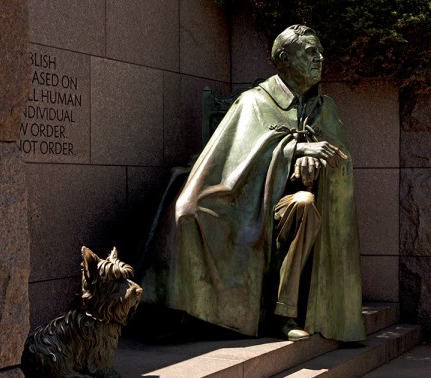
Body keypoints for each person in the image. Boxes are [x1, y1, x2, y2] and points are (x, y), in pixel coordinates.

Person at [155, 24, 365, 342]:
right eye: (311, 52)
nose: (320, 58)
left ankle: (284, 314)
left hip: (283, 211)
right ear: (285, 59)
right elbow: (228, 161)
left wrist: (315, 168)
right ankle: (189, 312)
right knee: (187, 212)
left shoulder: (326, 109)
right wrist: (293, 149)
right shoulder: (253, 102)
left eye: (320, 52)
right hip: (241, 205)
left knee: (305, 206)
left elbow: (341, 162)